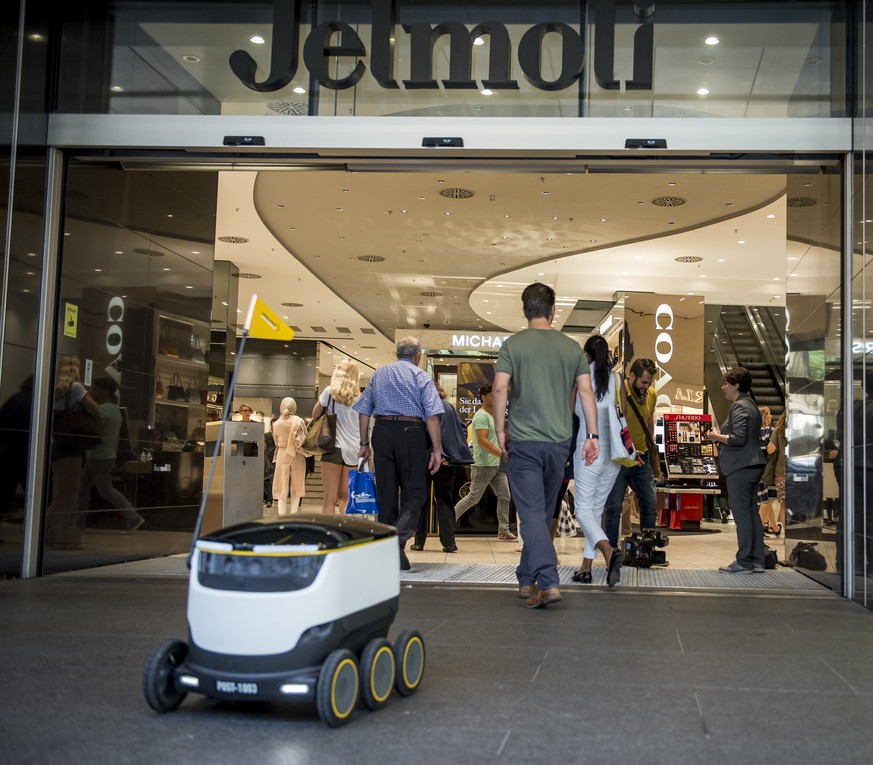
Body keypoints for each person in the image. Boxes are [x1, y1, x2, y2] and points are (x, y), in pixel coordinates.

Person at [492, 283, 599, 609]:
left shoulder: (513, 345)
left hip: (524, 442)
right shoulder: (571, 348)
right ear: (553, 310)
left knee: (531, 517)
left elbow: (499, 389)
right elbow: (585, 393)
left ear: (525, 310)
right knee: (539, 514)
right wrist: (592, 436)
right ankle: (526, 580)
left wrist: (499, 429)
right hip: (559, 445)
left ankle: (549, 581)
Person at [354, 336, 443, 571]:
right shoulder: (421, 376)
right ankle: (398, 538)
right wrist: (437, 449)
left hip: (382, 431)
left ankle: (388, 549)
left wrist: (363, 443)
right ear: (418, 356)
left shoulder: (379, 374)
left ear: (396, 354)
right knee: (416, 492)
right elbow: (432, 416)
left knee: (385, 492)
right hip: (411, 431)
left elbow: (364, 411)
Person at [570, 334, 625, 586]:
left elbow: (569, 412)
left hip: (587, 447)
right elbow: (621, 413)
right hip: (613, 453)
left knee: (582, 509)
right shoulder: (616, 379)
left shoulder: (580, 376)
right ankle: (586, 567)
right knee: (594, 510)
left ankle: (608, 551)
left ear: (587, 355)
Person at [707, 367, 767, 573]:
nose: (722, 387)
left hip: (741, 466)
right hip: (753, 464)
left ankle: (743, 560)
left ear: (736, 385)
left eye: (726, 383)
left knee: (742, 515)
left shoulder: (739, 407)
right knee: (751, 513)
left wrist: (716, 436)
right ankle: (757, 560)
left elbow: (738, 438)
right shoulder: (751, 405)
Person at [602, 357, 659, 548]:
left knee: (649, 504)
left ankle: (647, 547)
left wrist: (647, 446)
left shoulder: (651, 394)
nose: (646, 386)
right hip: (619, 458)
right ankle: (611, 550)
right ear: (631, 375)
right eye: (643, 382)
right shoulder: (618, 393)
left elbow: (649, 421)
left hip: (641, 459)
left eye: (649, 383)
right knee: (614, 507)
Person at [77, 377, 145, 534]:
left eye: (96, 389)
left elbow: (91, 426)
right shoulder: (114, 410)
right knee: (84, 489)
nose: (92, 392)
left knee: (104, 489)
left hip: (99, 456)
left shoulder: (104, 409)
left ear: (106, 391)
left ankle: (132, 516)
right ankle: (78, 523)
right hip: (101, 455)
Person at [46, 355, 100, 550]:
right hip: (71, 446)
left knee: (63, 492)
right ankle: (61, 536)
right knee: (69, 493)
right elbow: (94, 410)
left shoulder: (54, 390)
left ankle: (44, 529)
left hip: (56, 444)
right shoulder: (76, 388)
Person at [411, 383, 472, 552]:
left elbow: (422, 433)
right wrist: (449, 452)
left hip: (425, 459)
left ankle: (419, 541)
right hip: (446, 462)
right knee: (445, 500)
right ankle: (449, 542)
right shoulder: (449, 407)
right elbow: (462, 431)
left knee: (421, 500)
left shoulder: (423, 407)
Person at [452, 383, 514, 542]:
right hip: (483, 465)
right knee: (473, 498)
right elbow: (482, 440)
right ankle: (448, 524)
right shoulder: (480, 416)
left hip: (497, 466)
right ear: (483, 397)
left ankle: (504, 531)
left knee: (505, 496)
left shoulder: (493, 416)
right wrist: (501, 453)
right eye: (492, 395)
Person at [311, 358, 362, 514]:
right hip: (354, 449)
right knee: (345, 498)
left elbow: (315, 415)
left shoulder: (330, 392)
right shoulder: (361, 398)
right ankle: (347, 535)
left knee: (329, 500)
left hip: (333, 446)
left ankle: (329, 537)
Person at [0, 374, 34, 518]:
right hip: (25, 450)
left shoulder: (16, 398)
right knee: (32, 489)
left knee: (5, 489)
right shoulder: (34, 401)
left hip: (11, 449)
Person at [271, 397, 307, 515]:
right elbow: (304, 437)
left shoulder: (276, 424)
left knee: (282, 483)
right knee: (297, 483)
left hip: (282, 453)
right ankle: (294, 512)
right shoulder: (299, 421)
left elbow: (275, 442)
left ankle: (281, 513)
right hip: (297, 453)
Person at [760, 410, 787, 536]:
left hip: (780, 471)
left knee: (782, 503)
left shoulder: (778, 431)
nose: (771, 415)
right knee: (768, 500)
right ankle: (774, 528)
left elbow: (770, 449)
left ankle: (782, 532)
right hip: (800, 470)